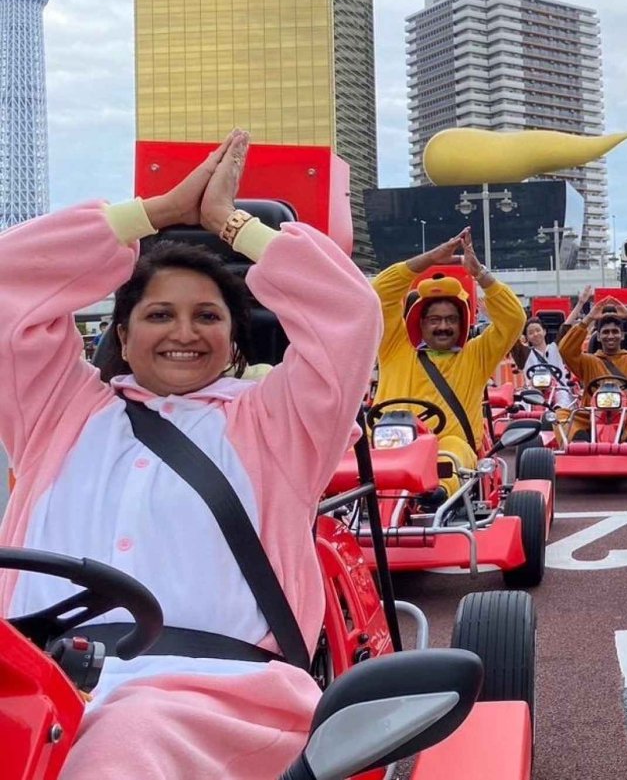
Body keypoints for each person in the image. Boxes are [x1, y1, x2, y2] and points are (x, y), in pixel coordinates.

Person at [0, 130, 381, 779]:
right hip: (29, 694)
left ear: (235, 339)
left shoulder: (277, 426)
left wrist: (229, 225)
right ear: (122, 331)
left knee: (121, 738)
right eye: (158, 315)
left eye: (207, 314)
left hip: (219, 701)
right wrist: (154, 214)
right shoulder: (58, 411)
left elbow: (349, 310)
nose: (183, 331)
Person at [371, 229, 526, 492]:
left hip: (447, 448)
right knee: (345, 451)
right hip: (384, 444)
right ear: (420, 323)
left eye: (451, 319)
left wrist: (479, 273)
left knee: (451, 454)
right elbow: (380, 292)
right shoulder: (394, 347)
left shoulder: (477, 355)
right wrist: (430, 258)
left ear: (462, 323)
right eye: (435, 320)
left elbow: (514, 319)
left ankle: (435, 496)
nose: (443, 326)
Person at [557, 298, 627, 442]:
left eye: (615, 332)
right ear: (599, 337)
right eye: (606, 332)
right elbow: (565, 349)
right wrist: (588, 319)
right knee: (559, 414)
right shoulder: (589, 361)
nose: (610, 336)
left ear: (622, 336)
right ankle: (578, 441)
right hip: (593, 415)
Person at [509, 317, 575, 409]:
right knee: (525, 398)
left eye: (538, 330)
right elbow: (511, 337)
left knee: (562, 396)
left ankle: (559, 411)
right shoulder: (524, 354)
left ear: (544, 331)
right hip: (534, 391)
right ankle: (521, 411)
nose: (535, 334)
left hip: (559, 389)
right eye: (531, 333)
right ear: (527, 337)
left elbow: (565, 328)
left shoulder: (556, 348)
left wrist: (580, 303)